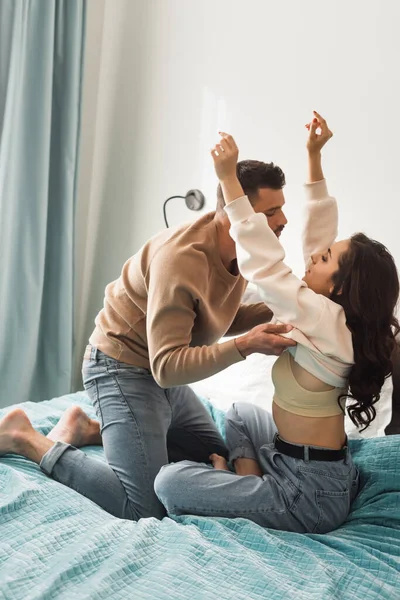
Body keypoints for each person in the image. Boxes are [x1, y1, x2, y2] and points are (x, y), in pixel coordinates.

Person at [0, 155, 296, 520]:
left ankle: (90, 429)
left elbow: (215, 317)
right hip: (121, 368)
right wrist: (246, 345)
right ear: (236, 213)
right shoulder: (182, 260)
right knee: (144, 506)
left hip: (162, 373)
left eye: (281, 209)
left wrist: (284, 306)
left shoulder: (245, 251)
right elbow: (168, 366)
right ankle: (25, 437)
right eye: (271, 212)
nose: (283, 221)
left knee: (211, 458)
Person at [154, 113, 400, 534]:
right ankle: (249, 482)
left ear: (340, 288)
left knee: (169, 482)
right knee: (240, 414)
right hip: (289, 456)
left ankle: (245, 484)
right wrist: (314, 157)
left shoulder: (324, 318)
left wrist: (229, 181)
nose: (312, 257)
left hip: (309, 493)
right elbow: (319, 238)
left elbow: (266, 267)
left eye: (323, 261)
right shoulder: (337, 314)